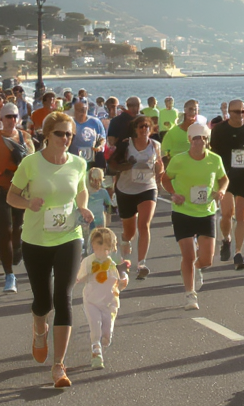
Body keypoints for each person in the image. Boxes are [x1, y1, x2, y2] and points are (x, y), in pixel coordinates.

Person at [7, 110, 94, 389]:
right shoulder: (31, 163)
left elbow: (81, 189)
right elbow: (11, 196)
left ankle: (59, 366)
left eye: (70, 134)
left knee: (64, 297)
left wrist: (83, 207)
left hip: (69, 236)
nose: (66, 138)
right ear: (47, 135)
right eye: (60, 133)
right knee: (43, 302)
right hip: (36, 239)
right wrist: (28, 204)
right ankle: (39, 328)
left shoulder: (78, 163)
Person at [160, 121, 227, 311]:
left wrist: (221, 191)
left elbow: (224, 178)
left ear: (207, 141)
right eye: (196, 138)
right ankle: (190, 295)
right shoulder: (179, 160)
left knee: (207, 260)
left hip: (206, 212)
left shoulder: (215, 160)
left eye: (203, 138)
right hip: (183, 212)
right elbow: (165, 179)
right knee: (188, 255)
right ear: (190, 139)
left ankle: (195, 270)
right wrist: (173, 194)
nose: (200, 142)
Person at [0, 102, 36, 292]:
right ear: (1, 119)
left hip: (20, 192)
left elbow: (33, 163)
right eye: (8, 117)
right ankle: (9, 275)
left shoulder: (25, 137)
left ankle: (17, 249)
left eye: (14, 116)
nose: (11, 120)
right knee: (5, 230)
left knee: (18, 230)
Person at [109, 114, 162, 280]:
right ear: (136, 129)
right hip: (126, 190)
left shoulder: (155, 145)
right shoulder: (126, 145)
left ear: (151, 129)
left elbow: (159, 167)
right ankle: (125, 241)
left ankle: (141, 264)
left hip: (147, 187)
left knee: (144, 225)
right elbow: (112, 164)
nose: (144, 129)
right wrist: (126, 165)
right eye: (141, 127)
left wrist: (159, 169)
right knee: (130, 231)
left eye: (147, 126)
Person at [210, 99, 244, 270]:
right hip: (226, 176)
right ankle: (226, 239)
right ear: (229, 113)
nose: (240, 115)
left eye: (243, 111)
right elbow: (213, 152)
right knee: (227, 213)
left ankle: (238, 252)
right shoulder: (219, 129)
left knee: (241, 213)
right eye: (237, 112)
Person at [76, 227, 128, 371]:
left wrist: (123, 280)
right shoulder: (88, 261)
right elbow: (79, 277)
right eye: (97, 245)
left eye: (105, 248)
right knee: (95, 326)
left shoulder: (113, 263)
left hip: (110, 303)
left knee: (106, 333)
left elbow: (120, 278)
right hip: (91, 301)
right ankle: (96, 351)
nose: (100, 250)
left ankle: (102, 342)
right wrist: (82, 277)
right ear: (92, 244)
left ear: (110, 248)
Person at [159, 99, 201, 164]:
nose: (193, 112)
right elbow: (163, 155)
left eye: (195, 109)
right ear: (185, 110)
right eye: (190, 109)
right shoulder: (172, 133)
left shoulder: (202, 132)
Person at [70, 100, 106, 168]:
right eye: (78, 110)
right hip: (74, 159)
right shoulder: (70, 122)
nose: (81, 112)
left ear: (87, 109)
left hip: (92, 160)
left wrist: (100, 146)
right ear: (74, 110)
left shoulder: (95, 122)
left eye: (83, 110)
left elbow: (102, 138)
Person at [82, 167, 112, 242]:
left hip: (100, 220)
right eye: (94, 180)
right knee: (88, 239)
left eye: (99, 180)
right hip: (87, 221)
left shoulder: (103, 192)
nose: (96, 183)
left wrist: (109, 216)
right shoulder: (85, 192)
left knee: (100, 238)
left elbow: (109, 204)